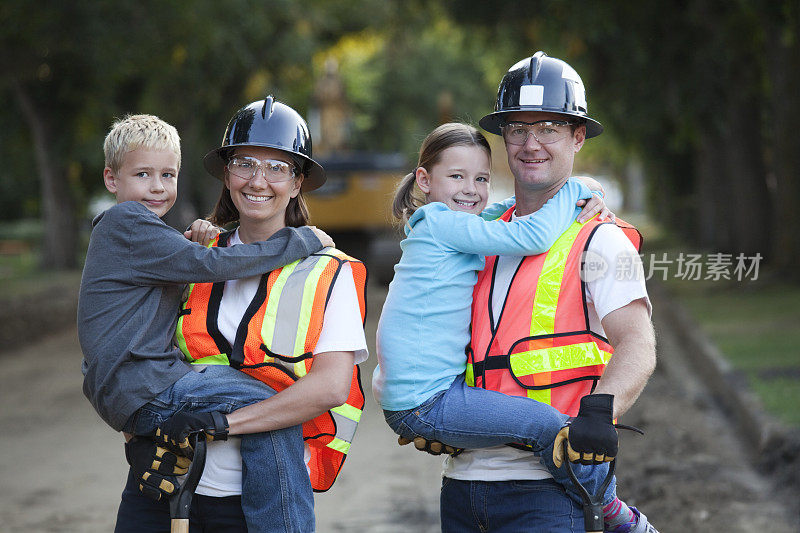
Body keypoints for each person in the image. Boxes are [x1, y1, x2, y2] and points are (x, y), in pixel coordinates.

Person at [411, 53, 657, 533]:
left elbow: (638, 343)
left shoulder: (598, 238)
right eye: (518, 130)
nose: (530, 144)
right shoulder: (475, 236)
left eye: (548, 128)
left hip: (551, 489)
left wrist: (599, 415)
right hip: (461, 484)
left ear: (577, 136)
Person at [117, 96, 368, 532]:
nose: (258, 180)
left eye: (277, 168)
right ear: (227, 174)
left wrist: (221, 423)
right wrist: (136, 428)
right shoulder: (190, 256)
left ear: (298, 183)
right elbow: (134, 351)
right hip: (164, 481)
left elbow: (330, 387)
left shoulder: (329, 271)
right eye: (245, 163)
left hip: (259, 500)